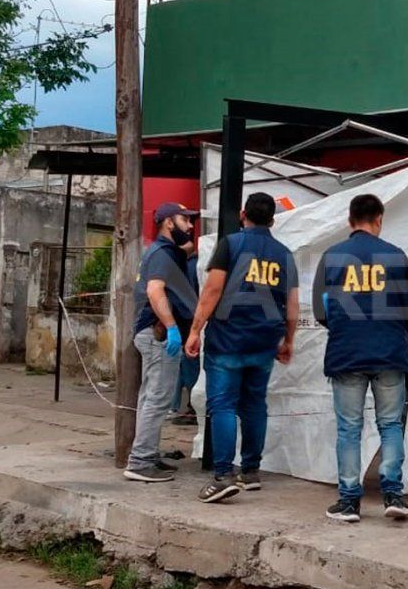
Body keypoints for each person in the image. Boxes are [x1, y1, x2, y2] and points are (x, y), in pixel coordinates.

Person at [186, 192, 298, 503]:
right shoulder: (285, 254)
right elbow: (292, 304)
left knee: (222, 405)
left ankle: (223, 475)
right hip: (264, 341)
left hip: (227, 339)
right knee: (254, 404)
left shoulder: (230, 244)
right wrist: (288, 340)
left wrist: (195, 330)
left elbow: (212, 289)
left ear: (242, 213)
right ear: (273, 220)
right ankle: (250, 471)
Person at [314, 193, 408, 522]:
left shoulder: (332, 256)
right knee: (390, 424)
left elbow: (320, 310)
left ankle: (348, 502)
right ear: (379, 220)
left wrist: (345, 326)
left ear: (350, 221)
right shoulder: (397, 257)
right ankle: (393, 494)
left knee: (349, 428)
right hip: (390, 351)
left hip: (347, 352)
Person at [124, 202, 200, 483]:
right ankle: (141, 461)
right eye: (185, 220)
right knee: (157, 398)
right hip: (159, 335)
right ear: (169, 222)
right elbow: (156, 291)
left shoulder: (166, 252)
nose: (190, 226)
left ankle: (148, 454)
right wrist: (171, 328)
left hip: (155, 334)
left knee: (151, 397)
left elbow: (183, 256)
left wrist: (189, 250)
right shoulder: (161, 254)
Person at [171, 240, 201, 426]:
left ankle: (192, 407)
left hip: (189, 325)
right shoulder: (195, 265)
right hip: (193, 324)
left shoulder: (188, 267)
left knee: (190, 368)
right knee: (185, 369)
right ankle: (186, 405)